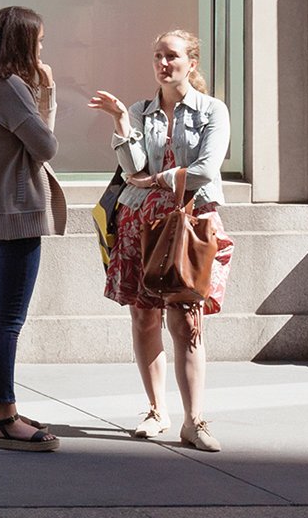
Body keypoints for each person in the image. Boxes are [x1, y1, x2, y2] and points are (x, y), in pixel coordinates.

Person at [86, 29, 234, 453]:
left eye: (171, 56)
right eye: (157, 57)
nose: (163, 64)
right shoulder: (141, 110)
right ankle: (156, 410)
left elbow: (206, 170)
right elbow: (131, 166)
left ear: (192, 62)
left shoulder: (211, 110)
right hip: (139, 222)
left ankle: (195, 420)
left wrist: (158, 178)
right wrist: (121, 122)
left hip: (189, 222)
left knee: (187, 320)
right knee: (143, 316)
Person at [0, 5, 66, 451]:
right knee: (7, 320)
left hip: (0, 211)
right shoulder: (12, 87)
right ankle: (5, 418)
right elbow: (46, 144)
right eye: (39, 41)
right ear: (23, 42)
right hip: (18, 213)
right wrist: (48, 90)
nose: (43, 48)